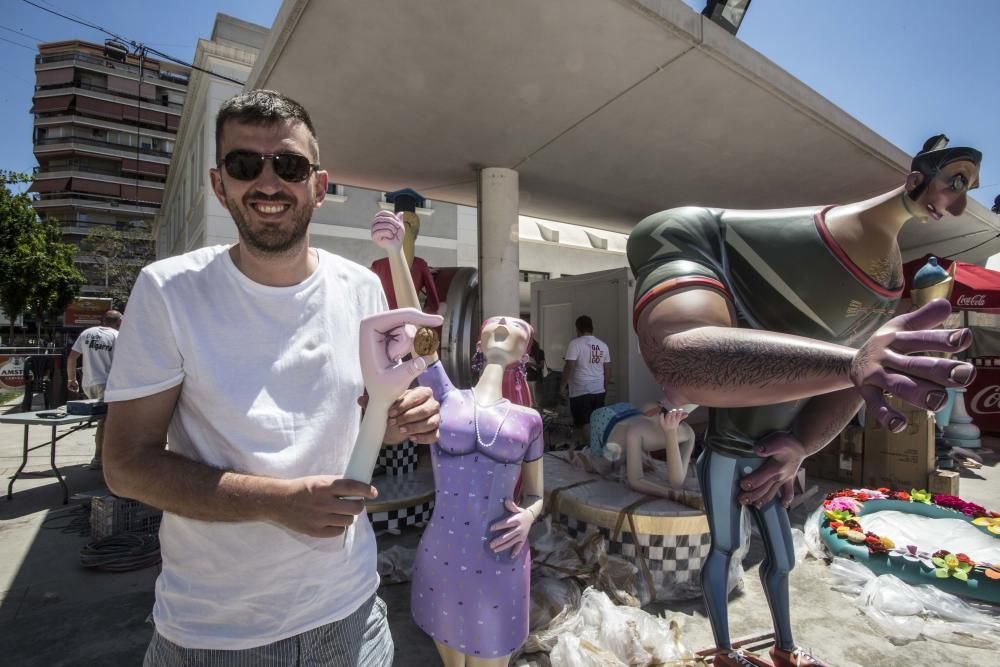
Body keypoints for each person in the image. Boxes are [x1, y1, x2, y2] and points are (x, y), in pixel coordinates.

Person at [101, 90, 441, 667]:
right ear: (218, 183)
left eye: (288, 165)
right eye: (243, 165)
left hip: (353, 616)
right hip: (216, 634)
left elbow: (356, 418)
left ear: (319, 184)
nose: (267, 182)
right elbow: (126, 463)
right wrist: (277, 501)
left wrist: (399, 419)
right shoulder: (168, 291)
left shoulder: (360, 287)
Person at [627, 137, 981, 667]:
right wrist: (851, 364)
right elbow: (680, 356)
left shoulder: (886, 284)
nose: (956, 203)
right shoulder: (689, 232)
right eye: (954, 182)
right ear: (917, 174)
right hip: (726, 451)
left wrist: (803, 444)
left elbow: (843, 386)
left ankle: (785, 646)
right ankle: (725, 651)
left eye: (968, 191)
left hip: (774, 455)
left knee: (783, 558)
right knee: (724, 550)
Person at [372, 210, 544, 666]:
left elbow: (539, 494)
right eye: (496, 323)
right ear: (480, 340)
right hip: (441, 551)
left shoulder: (529, 419)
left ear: (524, 352)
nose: (504, 325)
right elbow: (417, 330)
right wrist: (396, 253)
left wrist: (530, 518)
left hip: (501, 554)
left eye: (516, 327)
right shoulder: (445, 394)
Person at [590, 402, 697, 498]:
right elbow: (635, 481)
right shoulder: (633, 431)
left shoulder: (688, 433)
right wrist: (672, 494)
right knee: (603, 466)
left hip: (628, 411)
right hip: (606, 418)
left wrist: (670, 432)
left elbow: (677, 482)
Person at [66, 309, 122, 469]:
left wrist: (71, 379)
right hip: (107, 384)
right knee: (106, 423)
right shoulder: (116, 336)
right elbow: (122, 362)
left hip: (88, 383)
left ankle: (101, 456)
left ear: (103, 320)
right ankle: (99, 459)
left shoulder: (86, 333)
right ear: (119, 322)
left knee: (101, 421)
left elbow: (72, 358)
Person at [561, 315, 610, 448]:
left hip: (581, 390)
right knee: (596, 421)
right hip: (599, 390)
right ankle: (594, 448)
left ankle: (592, 451)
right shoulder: (603, 345)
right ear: (591, 327)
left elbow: (569, 366)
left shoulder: (575, 344)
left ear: (578, 328)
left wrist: (562, 386)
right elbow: (607, 369)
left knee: (584, 423)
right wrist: (604, 388)